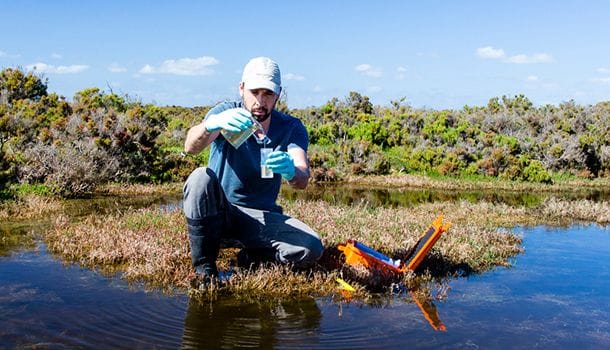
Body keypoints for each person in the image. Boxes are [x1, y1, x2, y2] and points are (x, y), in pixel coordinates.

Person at [182, 57, 324, 284]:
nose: (260, 100)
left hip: (261, 218)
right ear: (241, 89)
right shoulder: (226, 112)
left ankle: (253, 256)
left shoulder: (291, 127)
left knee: (311, 248)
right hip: (219, 212)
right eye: (254, 91)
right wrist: (212, 124)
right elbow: (191, 146)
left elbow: (302, 177)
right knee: (200, 177)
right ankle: (204, 269)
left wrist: (291, 171)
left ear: (278, 94)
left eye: (267, 93)